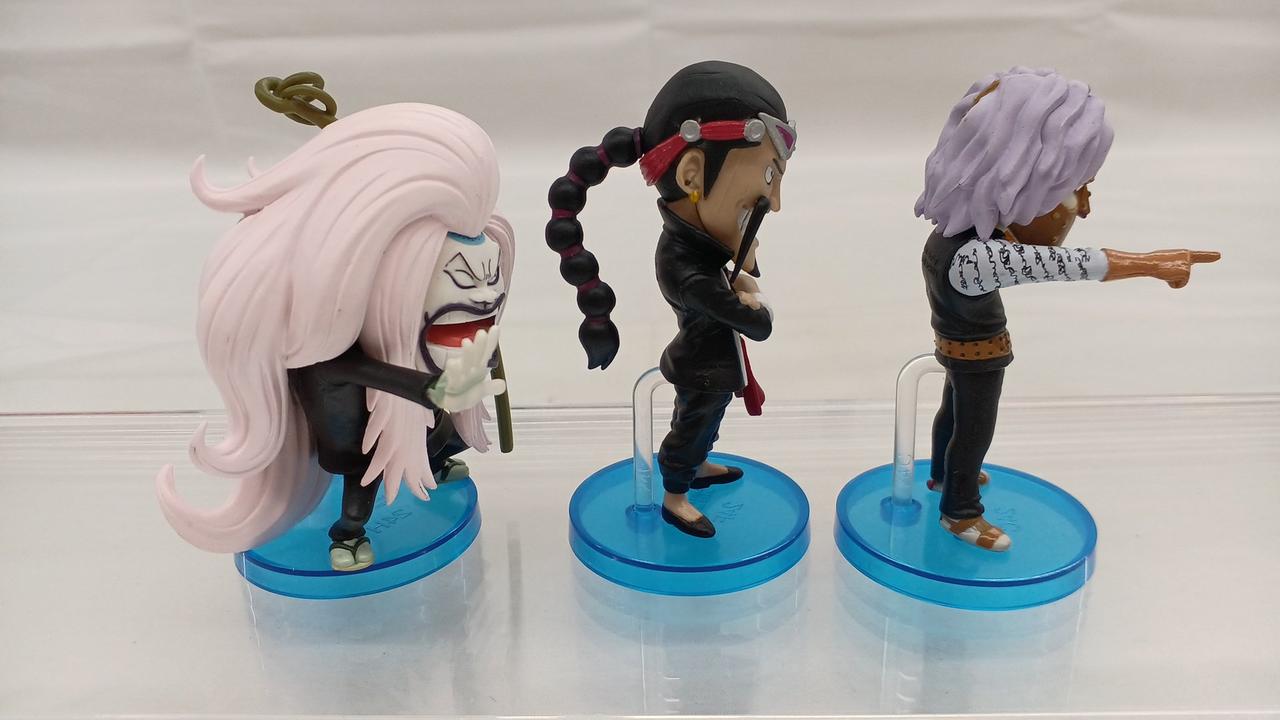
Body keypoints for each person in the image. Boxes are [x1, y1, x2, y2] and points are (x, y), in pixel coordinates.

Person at [915, 67, 1219, 551]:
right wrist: (1152, 264)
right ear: (1024, 180)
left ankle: (940, 475)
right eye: (1077, 187)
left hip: (957, 350)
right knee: (973, 431)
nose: (1085, 206)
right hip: (978, 358)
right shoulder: (978, 256)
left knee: (952, 415)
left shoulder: (948, 240)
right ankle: (961, 510)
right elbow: (1071, 264)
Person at [545, 61, 796, 537]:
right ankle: (676, 495)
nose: (775, 201)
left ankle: (696, 466)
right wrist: (749, 297)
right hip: (701, 368)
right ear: (693, 173)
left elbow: (735, 289)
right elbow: (757, 325)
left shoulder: (699, 251)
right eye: (767, 175)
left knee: (707, 423)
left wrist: (740, 275)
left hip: (713, 367)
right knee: (693, 426)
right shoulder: (686, 268)